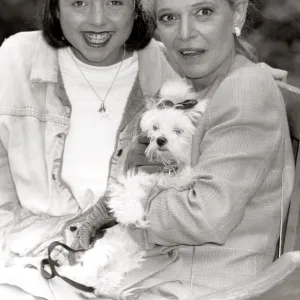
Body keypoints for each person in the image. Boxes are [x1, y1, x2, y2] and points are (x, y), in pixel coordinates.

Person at [0, 0, 295, 299]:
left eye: (204, 12)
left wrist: (119, 206)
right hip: (157, 272)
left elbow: (204, 215)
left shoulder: (242, 88)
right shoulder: (206, 84)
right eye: (168, 18)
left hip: (197, 287)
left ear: (239, 13)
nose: (185, 33)